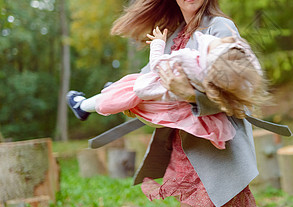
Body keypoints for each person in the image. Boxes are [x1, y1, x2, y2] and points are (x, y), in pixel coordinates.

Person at [76, 0, 281, 207]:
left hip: (217, 149)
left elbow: (239, 90)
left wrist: (192, 96)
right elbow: (147, 81)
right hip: (185, 149)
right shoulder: (173, 36)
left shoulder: (220, 27)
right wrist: (133, 104)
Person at [66, 25, 266, 150]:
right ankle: (112, 90)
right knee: (123, 88)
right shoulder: (214, 76)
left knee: (122, 92)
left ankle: (82, 106)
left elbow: (157, 66)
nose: (224, 39)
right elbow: (242, 64)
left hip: (152, 100)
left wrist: (158, 44)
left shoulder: (189, 60)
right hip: (172, 115)